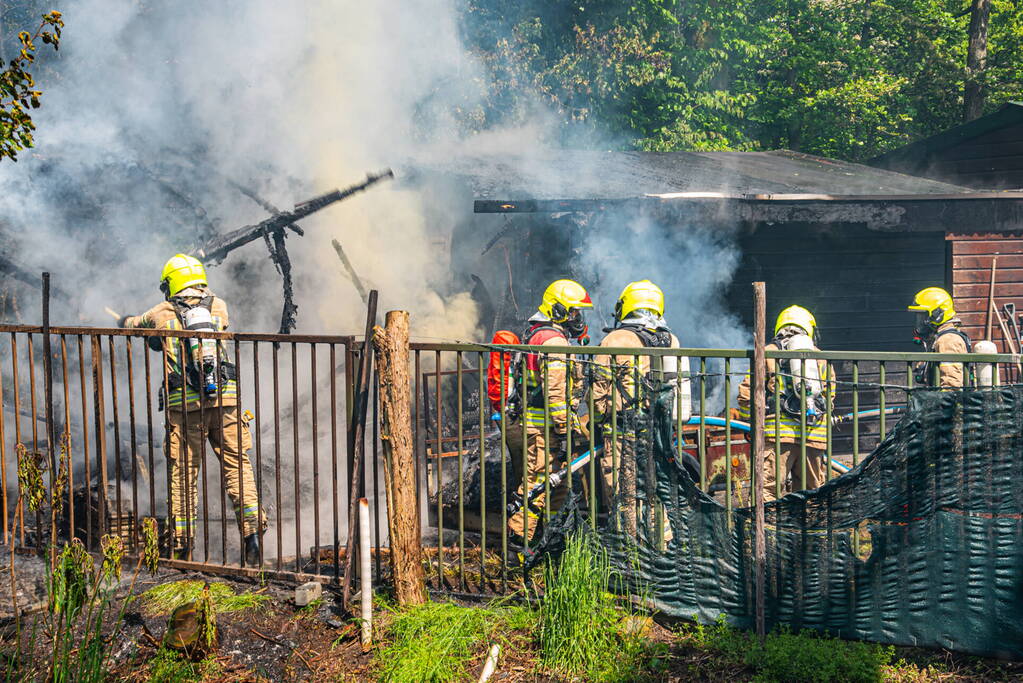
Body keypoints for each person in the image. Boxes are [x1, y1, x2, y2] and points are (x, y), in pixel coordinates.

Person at [121, 254, 266, 565]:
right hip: (226, 402)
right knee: (238, 468)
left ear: (171, 283)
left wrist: (125, 320)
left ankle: (183, 549)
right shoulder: (219, 306)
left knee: (184, 475)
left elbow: (135, 325)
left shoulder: (161, 312)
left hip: (185, 407)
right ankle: (252, 538)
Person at [591, 280, 689, 537]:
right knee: (656, 491)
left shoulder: (615, 339)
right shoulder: (671, 340)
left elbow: (598, 390)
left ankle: (630, 547)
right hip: (659, 433)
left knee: (624, 493)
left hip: (622, 432)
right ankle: (662, 545)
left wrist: (599, 418)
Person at [505, 279, 592, 551]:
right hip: (547, 430)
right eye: (573, 311)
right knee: (538, 485)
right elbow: (555, 394)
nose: (577, 318)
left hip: (541, 427)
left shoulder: (538, 334)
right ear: (558, 310)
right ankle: (518, 545)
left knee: (557, 486)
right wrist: (565, 431)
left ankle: (553, 541)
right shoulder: (553, 341)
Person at [737, 305, 833, 502]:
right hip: (813, 436)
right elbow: (829, 397)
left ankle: (768, 523)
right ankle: (809, 523)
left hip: (777, 436)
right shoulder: (821, 357)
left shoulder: (767, 353)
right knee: (812, 494)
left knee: (766, 492)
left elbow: (747, 395)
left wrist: (750, 423)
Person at [908, 287, 970, 388]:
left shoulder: (948, 340)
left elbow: (951, 385)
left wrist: (940, 398)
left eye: (923, 316)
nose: (920, 321)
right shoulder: (937, 337)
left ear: (937, 315)